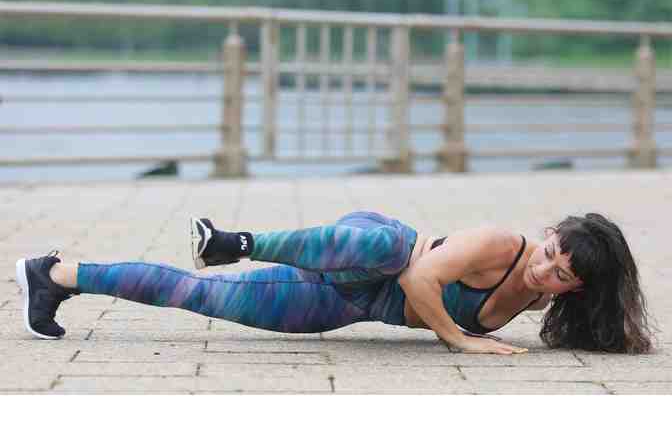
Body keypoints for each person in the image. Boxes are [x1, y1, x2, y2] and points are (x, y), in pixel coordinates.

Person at [15, 211, 654, 355]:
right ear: (547, 236)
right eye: (549, 254)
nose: (543, 270)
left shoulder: (544, 297)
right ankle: (235, 243)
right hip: (370, 253)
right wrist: (460, 339)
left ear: (575, 290)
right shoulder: (498, 246)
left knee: (199, 296)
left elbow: (609, 319)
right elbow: (421, 278)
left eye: (560, 275)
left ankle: (56, 276)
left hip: (345, 303)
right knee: (390, 249)